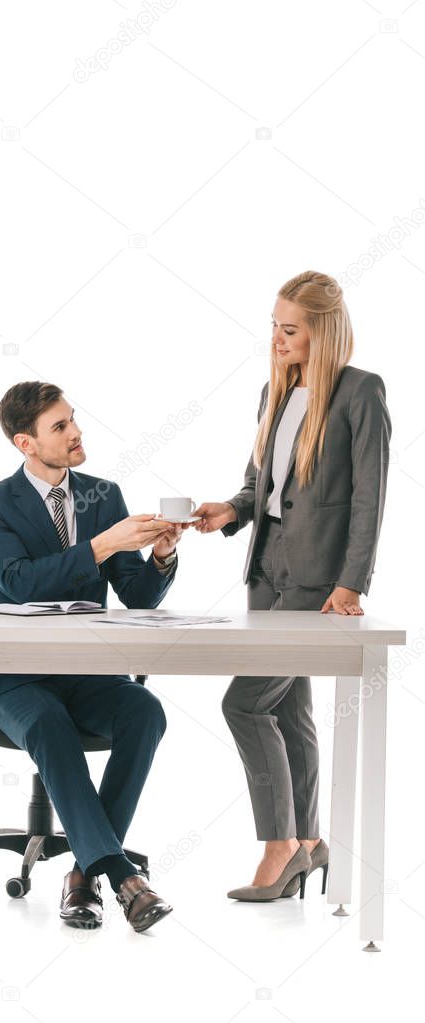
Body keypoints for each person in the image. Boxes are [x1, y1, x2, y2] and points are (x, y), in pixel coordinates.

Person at [194, 270, 391, 902]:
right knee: (286, 707)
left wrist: (351, 582)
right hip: (265, 567)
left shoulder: (361, 393)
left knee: (242, 703)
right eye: (274, 327)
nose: (276, 340)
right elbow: (261, 487)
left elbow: (369, 498)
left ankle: (279, 846)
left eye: (289, 330)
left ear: (322, 332)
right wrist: (227, 510)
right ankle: (308, 842)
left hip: (317, 581)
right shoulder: (274, 392)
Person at [0, 381, 187, 931]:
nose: (75, 432)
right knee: (48, 722)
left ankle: (82, 875)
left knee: (145, 711)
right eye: (59, 427)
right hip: (15, 679)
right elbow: (15, 584)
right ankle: (119, 877)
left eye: (73, 420)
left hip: (86, 670)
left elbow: (136, 595)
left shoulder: (102, 495)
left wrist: (160, 554)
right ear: (26, 443)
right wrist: (102, 545)